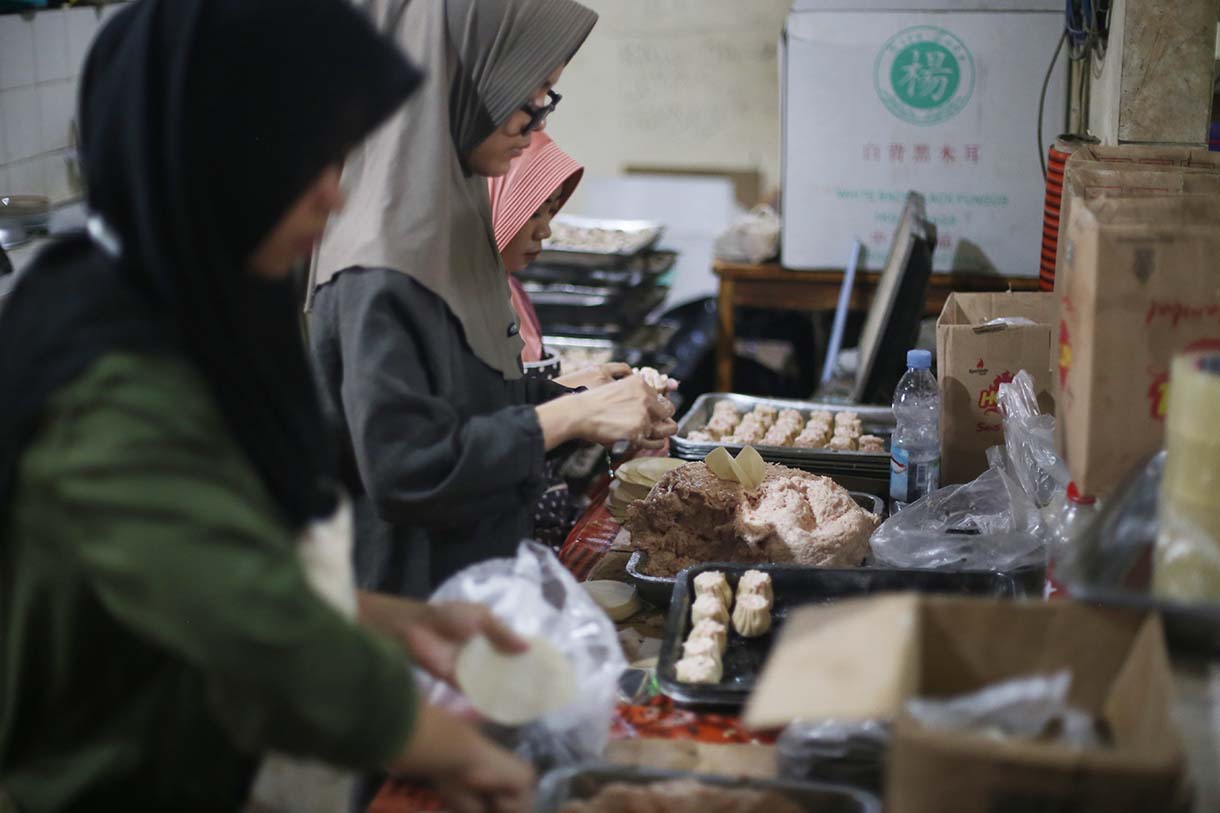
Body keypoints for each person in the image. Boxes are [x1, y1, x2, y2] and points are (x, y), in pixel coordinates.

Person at [0, 1, 532, 810]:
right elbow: (239, 617)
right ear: (207, 158)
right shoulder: (105, 374)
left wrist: (385, 619)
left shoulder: (204, 310)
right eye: (298, 162)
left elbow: (206, 556)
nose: (330, 196)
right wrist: (438, 741)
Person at [308, 0, 677, 599]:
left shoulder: (451, 230)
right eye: (532, 98)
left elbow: (469, 399)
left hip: (476, 590)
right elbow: (407, 467)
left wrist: (576, 399)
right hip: (411, 609)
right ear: (458, 87)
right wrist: (571, 415)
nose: (537, 125)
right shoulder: (378, 267)